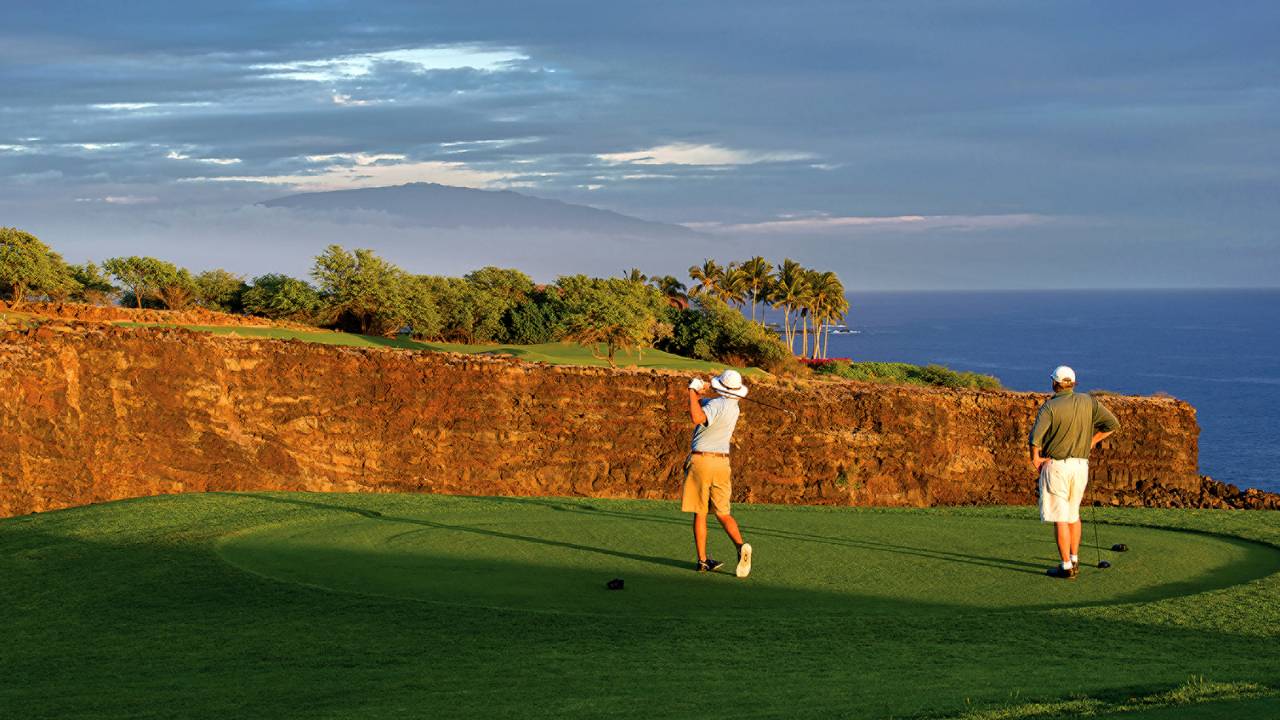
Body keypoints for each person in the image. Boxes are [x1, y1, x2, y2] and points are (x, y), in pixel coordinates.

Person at [1029, 365, 1120, 579]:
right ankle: (1075, 559)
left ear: (1055, 383)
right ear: (1073, 383)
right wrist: (1091, 441)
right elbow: (1112, 424)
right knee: (1073, 515)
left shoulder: (1049, 407)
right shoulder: (1088, 401)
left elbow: (1036, 438)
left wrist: (1035, 458)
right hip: (1081, 467)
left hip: (1057, 466)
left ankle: (1066, 567)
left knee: (1060, 518)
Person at [683, 369, 753, 577]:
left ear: (720, 386)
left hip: (702, 461)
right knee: (723, 512)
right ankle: (740, 547)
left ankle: (703, 561)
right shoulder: (733, 407)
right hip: (722, 463)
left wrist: (691, 390)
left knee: (700, 512)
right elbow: (704, 405)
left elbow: (697, 416)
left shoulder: (716, 405)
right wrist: (699, 392)